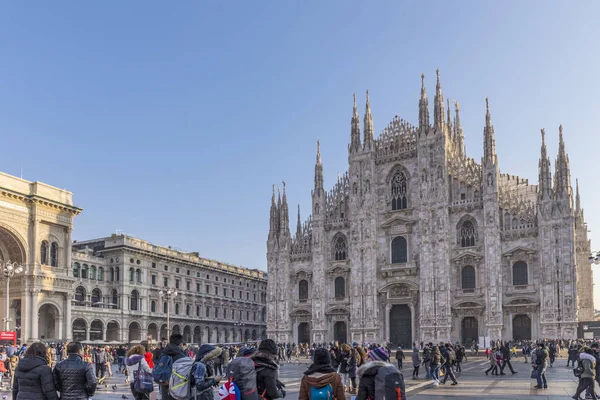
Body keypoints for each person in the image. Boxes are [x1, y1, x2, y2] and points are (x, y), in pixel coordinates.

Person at [157, 333, 188, 400]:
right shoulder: (183, 357)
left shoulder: (163, 354)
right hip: (178, 389)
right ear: (180, 344)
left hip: (165, 387)